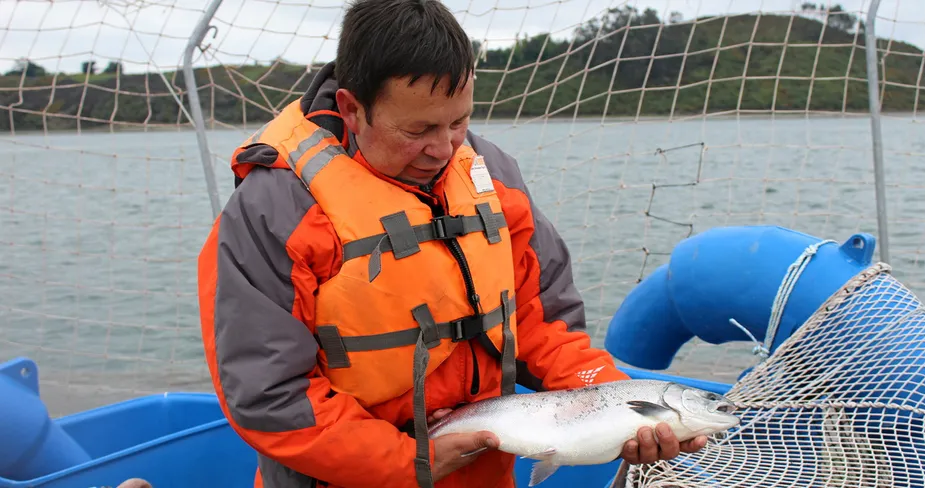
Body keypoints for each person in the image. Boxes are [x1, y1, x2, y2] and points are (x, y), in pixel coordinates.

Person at [197, 0, 707, 486]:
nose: (442, 149)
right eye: (417, 130)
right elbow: (267, 395)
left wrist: (618, 407)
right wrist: (408, 461)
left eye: (458, 121)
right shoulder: (274, 209)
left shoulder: (492, 173)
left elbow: (540, 323)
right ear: (353, 109)